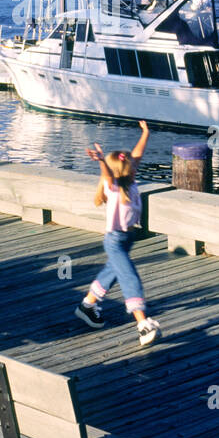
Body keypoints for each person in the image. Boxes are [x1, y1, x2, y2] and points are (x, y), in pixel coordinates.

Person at [73, 121, 161, 348]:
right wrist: (102, 161)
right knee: (129, 278)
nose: (135, 164)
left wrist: (145, 133)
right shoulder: (112, 188)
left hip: (127, 239)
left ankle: (87, 305)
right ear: (124, 170)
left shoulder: (130, 180)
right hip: (114, 240)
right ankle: (143, 324)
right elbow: (107, 175)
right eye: (131, 164)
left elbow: (138, 154)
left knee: (112, 273)